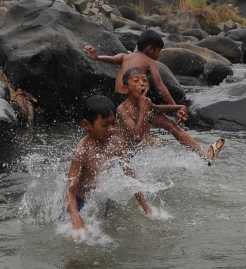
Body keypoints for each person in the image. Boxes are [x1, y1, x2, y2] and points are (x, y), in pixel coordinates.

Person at [65, 95, 152, 240]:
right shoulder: (82, 150)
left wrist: (146, 209)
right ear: (87, 125)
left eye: (114, 123)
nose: (111, 129)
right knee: (74, 237)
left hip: (102, 199)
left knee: (131, 229)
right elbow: (69, 192)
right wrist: (78, 222)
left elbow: (131, 177)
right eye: (105, 125)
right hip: (81, 202)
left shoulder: (116, 144)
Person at [116, 67, 225, 166]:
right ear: (126, 88)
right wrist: (144, 109)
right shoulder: (123, 110)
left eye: (145, 80)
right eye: (136, 81)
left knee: (171, 124)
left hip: (138, 151)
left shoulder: (146, 102)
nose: (142, 84)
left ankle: (204, 154)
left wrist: (178, 107)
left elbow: (157, 108)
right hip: (126, 154)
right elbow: (137, 137)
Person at [84, 30, 187, 123]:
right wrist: (175, 106)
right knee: (156, 117)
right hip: (132, 99)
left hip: (117, 97)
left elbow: (113, 59)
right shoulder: (151, 62)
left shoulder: (125, 56)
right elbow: (160, 86)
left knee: (122, 124)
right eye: (158, 51)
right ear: (150, 49)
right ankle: (149, 140)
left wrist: (97, 57)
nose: (158, 55)